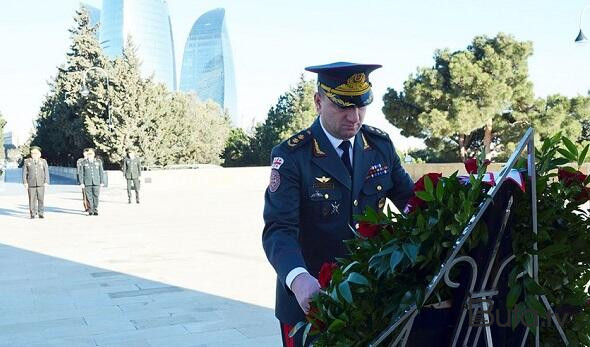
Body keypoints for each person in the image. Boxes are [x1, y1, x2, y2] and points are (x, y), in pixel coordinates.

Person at [262, 62, 415, 346]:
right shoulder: (292, 156)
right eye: (343, 106)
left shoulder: (379, 146)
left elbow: (412, 202)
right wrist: (298, 279)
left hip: (369, 299)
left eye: (361, 105)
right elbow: (279, 230)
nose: (354, 117)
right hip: (311, 306)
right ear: (319, 101)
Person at [22, 146, 50, 219]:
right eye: (32, 153)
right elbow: (24, 173)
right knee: (32, 199)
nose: (34, 155)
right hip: (31, 183)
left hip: (41, 183)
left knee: (41, 199)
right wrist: (25, 182)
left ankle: (41, 213)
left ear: (39, 154)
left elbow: (46, 172)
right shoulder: (27, 161)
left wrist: (46, 182)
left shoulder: (43, 161)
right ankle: (32, 213)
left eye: (36, 153)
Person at [78, 148, 105, 216]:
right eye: (89, 154)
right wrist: (81, 183)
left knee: (96, 196)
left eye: (91, 154)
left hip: (96, 182)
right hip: (87, 182)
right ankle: (90, 210)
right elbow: (81, 173)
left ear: (94, 154)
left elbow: (101, 172)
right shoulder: (83, 163)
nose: (90, 156)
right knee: (88, 197)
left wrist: (102, 181)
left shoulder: (98, 162)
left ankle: (95, 209)